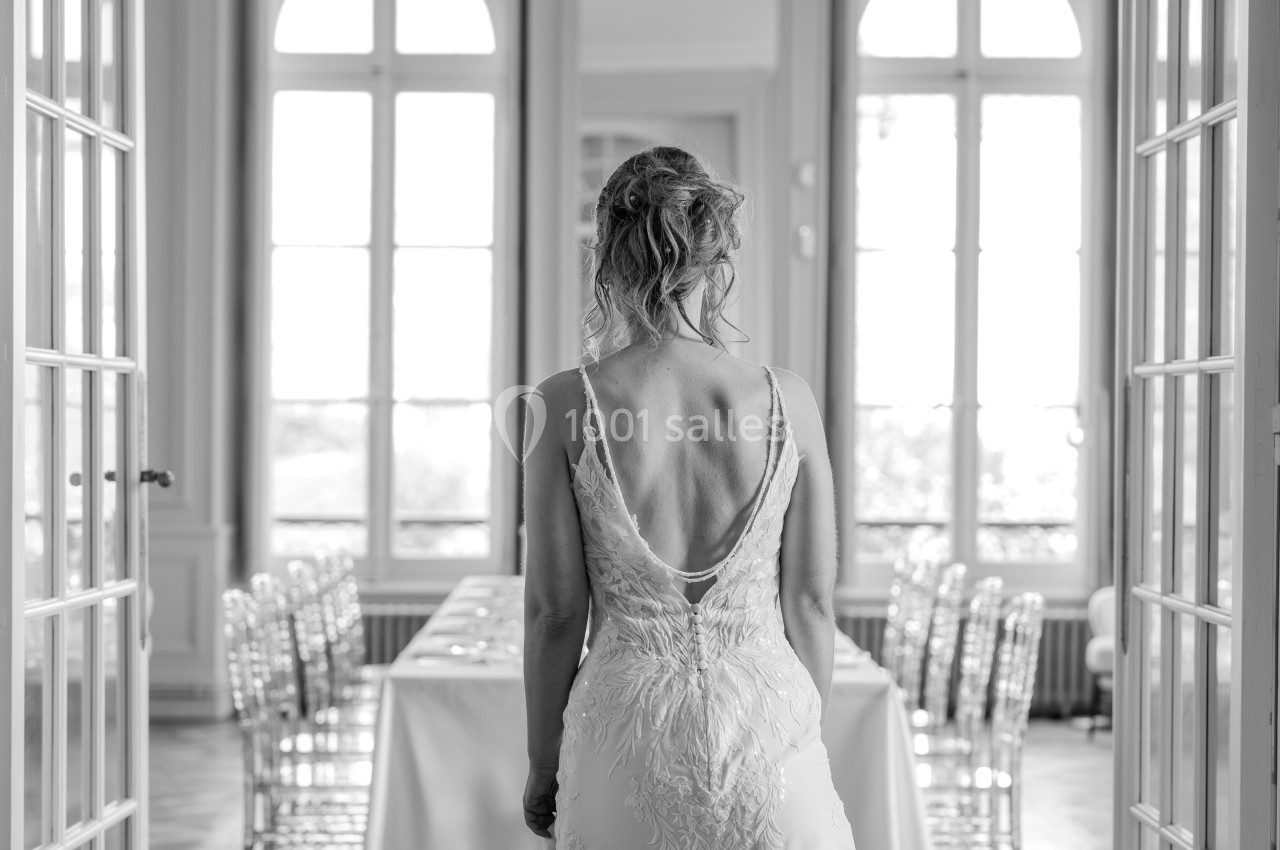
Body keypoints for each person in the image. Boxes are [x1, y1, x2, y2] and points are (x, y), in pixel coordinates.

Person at [522, 146, 855, 849]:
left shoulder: (562, 404)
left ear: (608, 257)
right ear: (714, 261)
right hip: (769, 730)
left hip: (622, 737)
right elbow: (813, 603)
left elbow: (556, 615)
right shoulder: (787, 399)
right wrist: (801, 735)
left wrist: (541, 766)